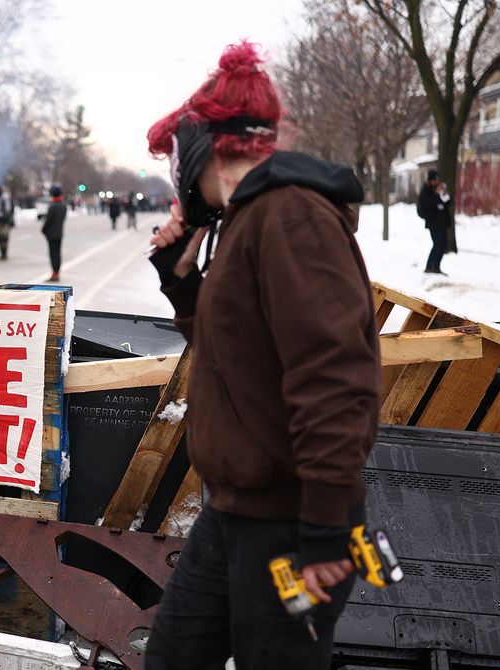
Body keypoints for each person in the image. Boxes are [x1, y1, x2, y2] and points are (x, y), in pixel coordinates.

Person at [142, 42, 380, 670]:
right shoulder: (245, 219)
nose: (177, 176)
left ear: (205, 147)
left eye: (176, 157)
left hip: (294, 525)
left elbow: (335, 378)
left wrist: (326, 530)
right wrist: (181, 281)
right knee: (172, 657)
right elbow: (237, 359)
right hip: (236, 514)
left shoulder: (291, 217)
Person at [417, 169, 451, 275]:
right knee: (437, 243)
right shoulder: (426, 190)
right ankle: (429, 266)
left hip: (442, 221)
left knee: (443, 244)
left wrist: (444, 194)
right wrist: (436, 196)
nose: (436, 182)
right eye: (434, 180)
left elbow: (447, 202)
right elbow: (427, 204)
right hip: (433, 222)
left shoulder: (440, 189)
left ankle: (436, 266)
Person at [41, 185, 66, 281]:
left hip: (51, 234)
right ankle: (57, 272)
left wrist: (43, 230)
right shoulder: (63, 206)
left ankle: (55, 273)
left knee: (53, 253)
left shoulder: (53, 206)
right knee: (58, 253)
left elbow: (48, 221)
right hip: (59, 233)